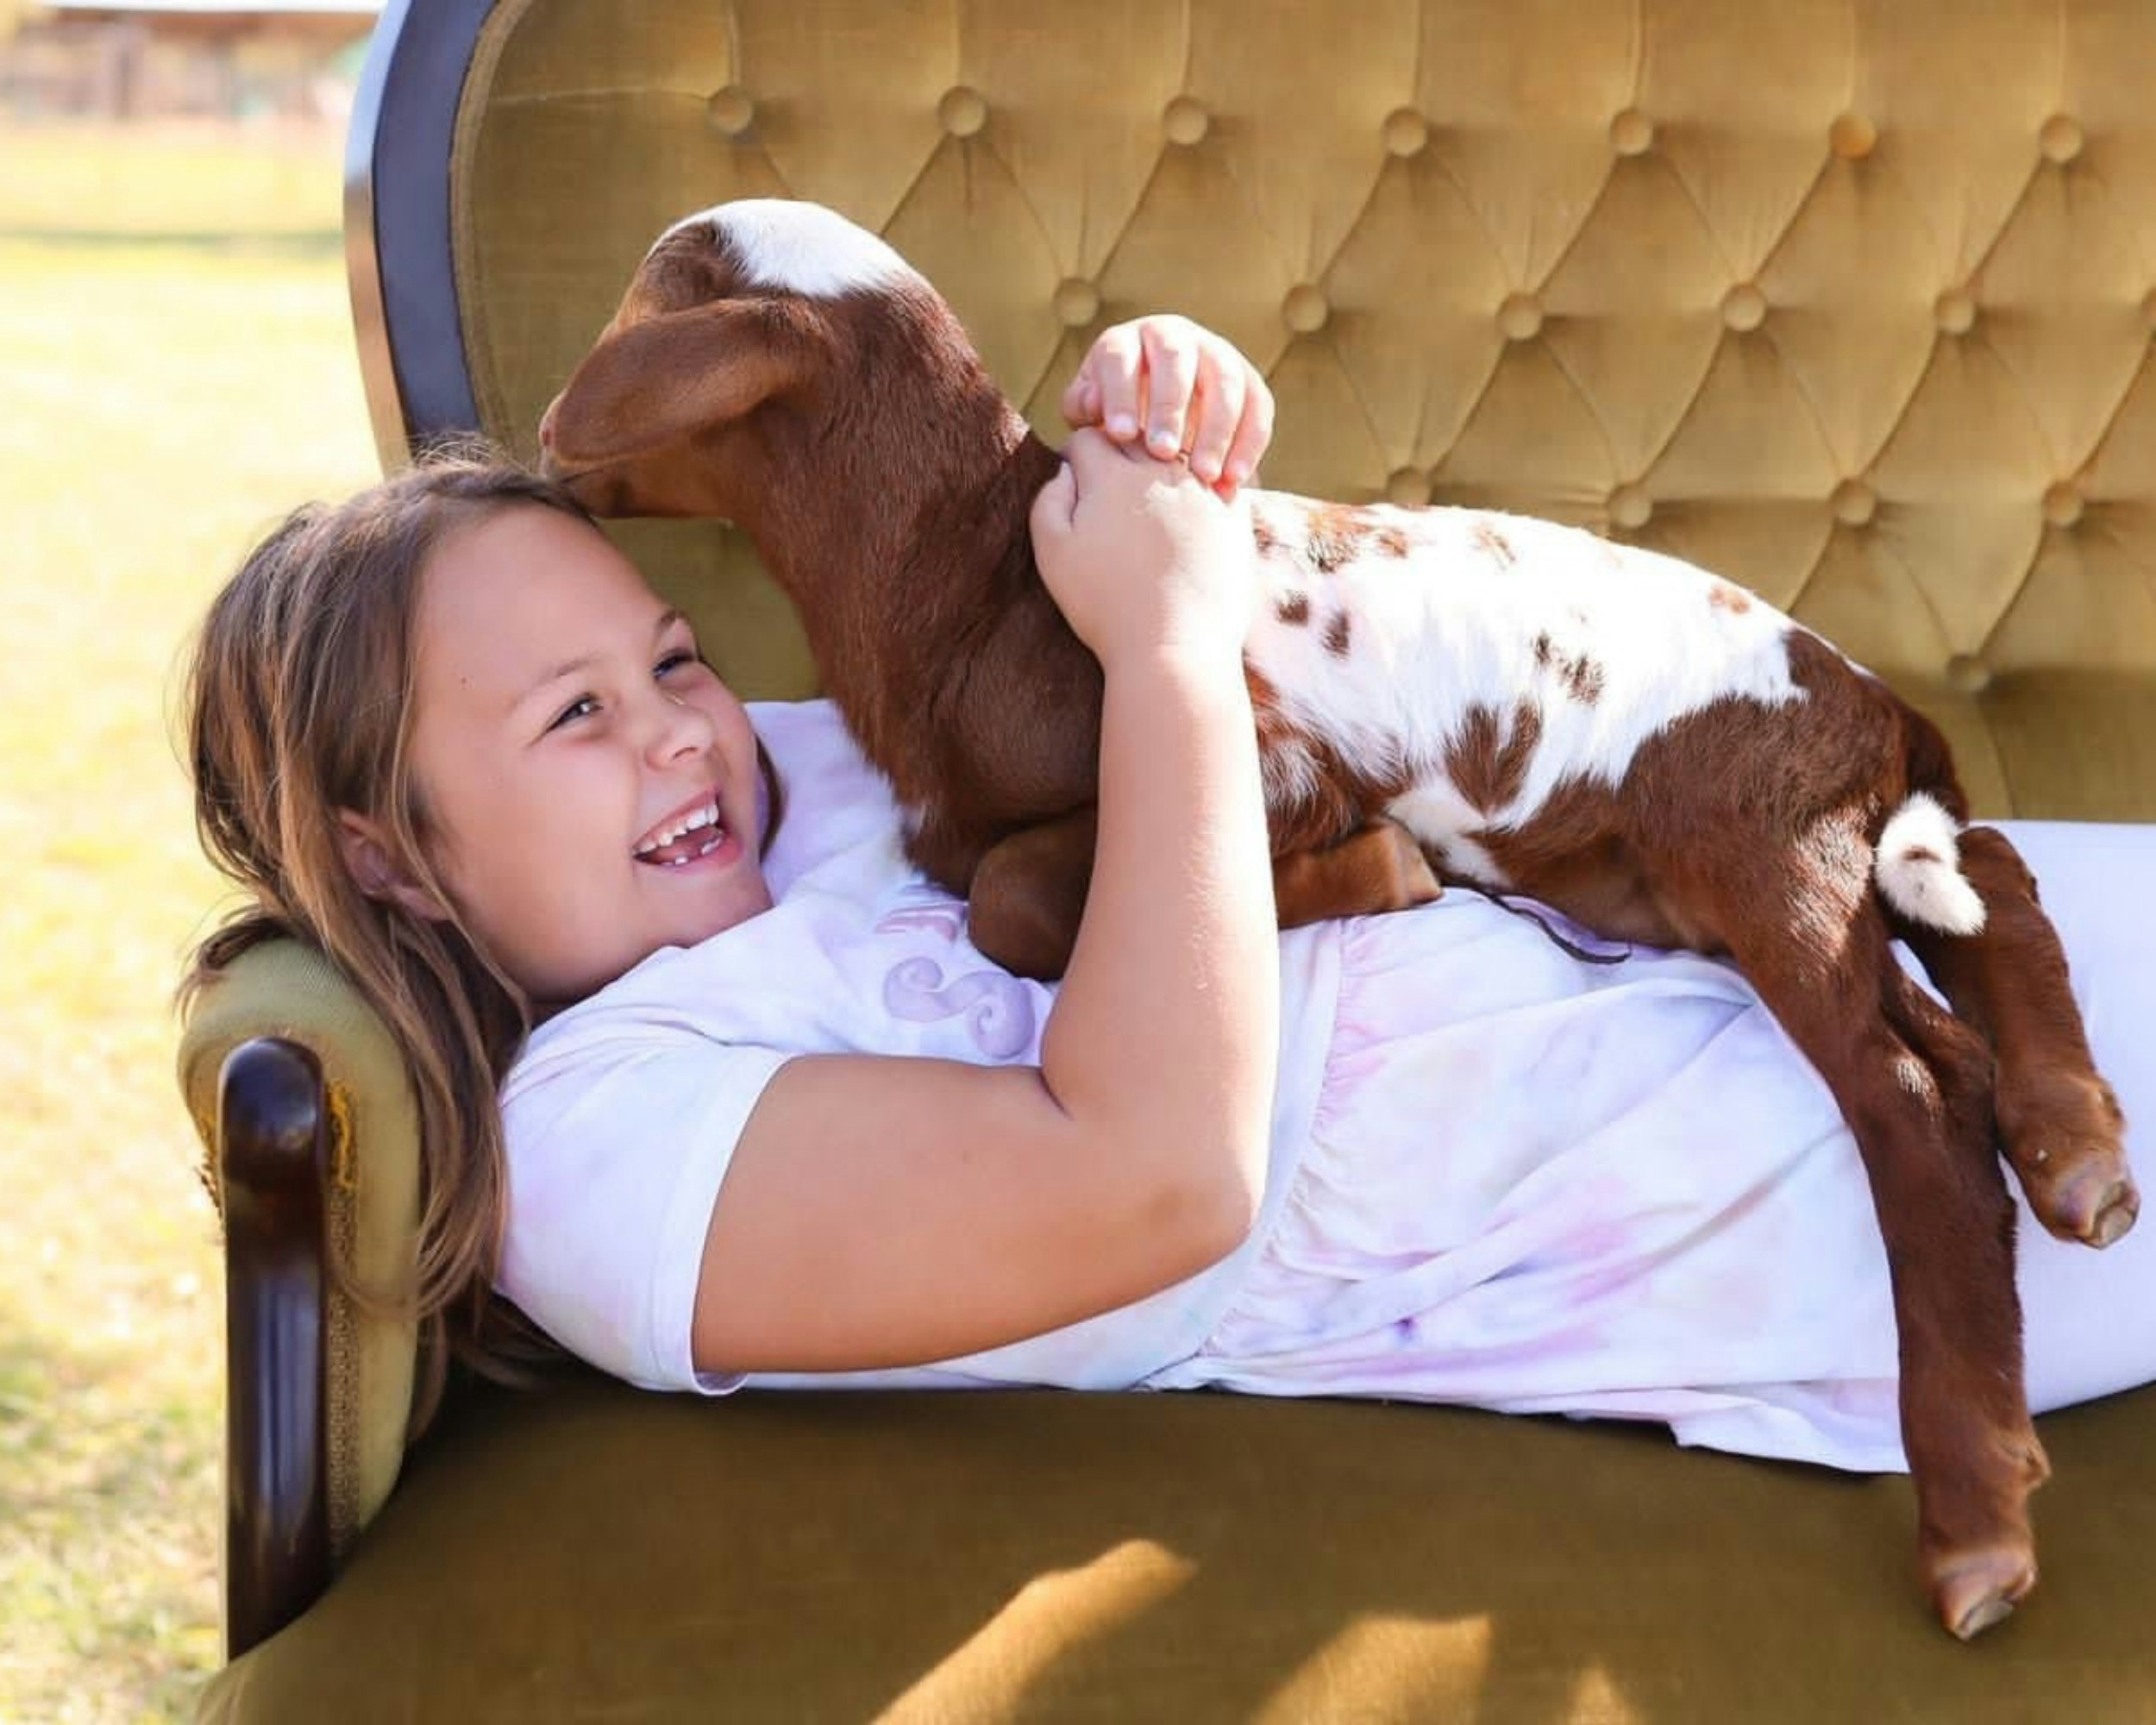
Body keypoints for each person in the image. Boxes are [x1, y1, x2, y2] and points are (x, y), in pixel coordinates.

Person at [183, 315, 2156, 1482]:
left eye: (676, 657)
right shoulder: (601, 1155)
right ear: (386, 853)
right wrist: (1165, 653)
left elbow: (1013, 555)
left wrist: (1153, 425)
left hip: (1807, 930)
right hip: (1770, 1178)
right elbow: (1153, 1174)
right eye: (574, 715)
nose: (684, 735)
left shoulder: (793, 800)